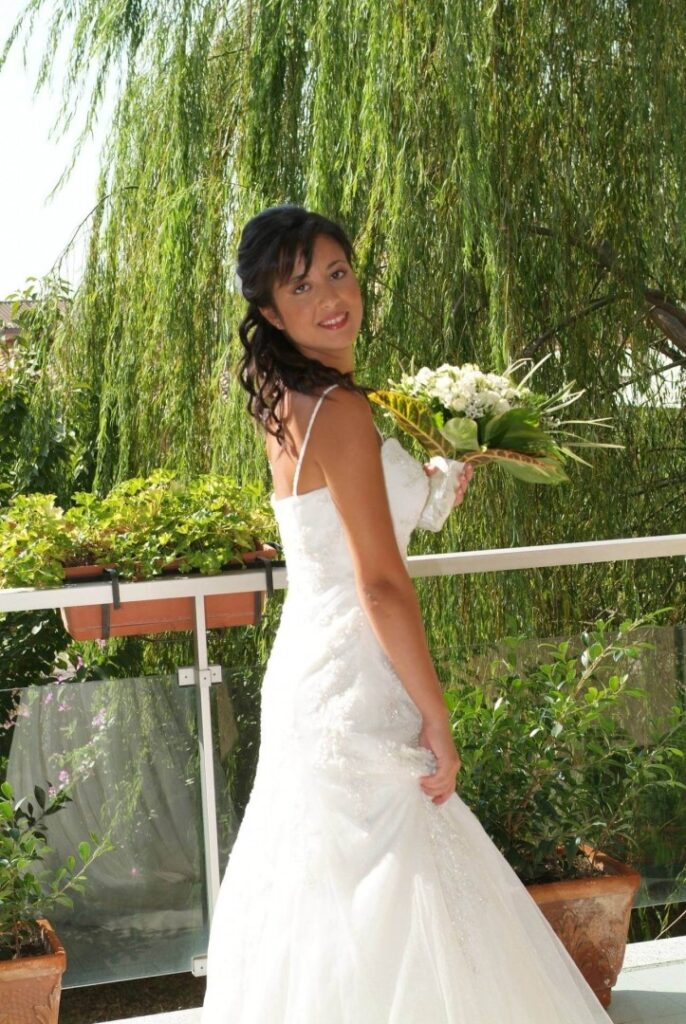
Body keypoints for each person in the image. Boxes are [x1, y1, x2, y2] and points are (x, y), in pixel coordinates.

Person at [201, 206, 614, 1023]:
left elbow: (346, 522)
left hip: (312, 673)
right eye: (302, 286)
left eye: (338, 273)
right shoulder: (340, 409)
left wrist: (435, 482)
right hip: (355, 684)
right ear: (271, 312)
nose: (331, 297)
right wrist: (437, 715)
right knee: (401, 897)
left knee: (337, 913)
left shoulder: (289, 399)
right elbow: (381, 584)